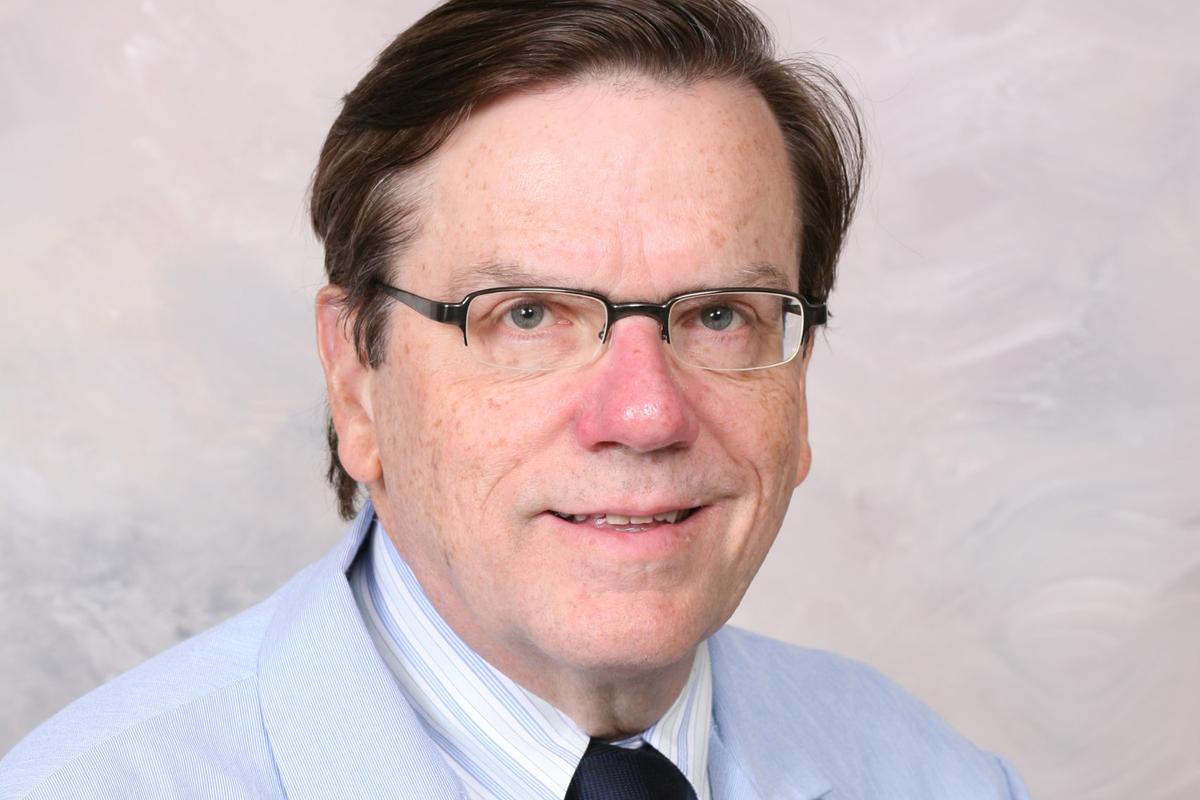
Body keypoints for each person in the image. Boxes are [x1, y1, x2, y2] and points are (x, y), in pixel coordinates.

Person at [0, 0, 1030, 797]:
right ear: (355, 378)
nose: (645, 416)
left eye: (720, 315)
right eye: (528, 315)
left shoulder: (933, 776)